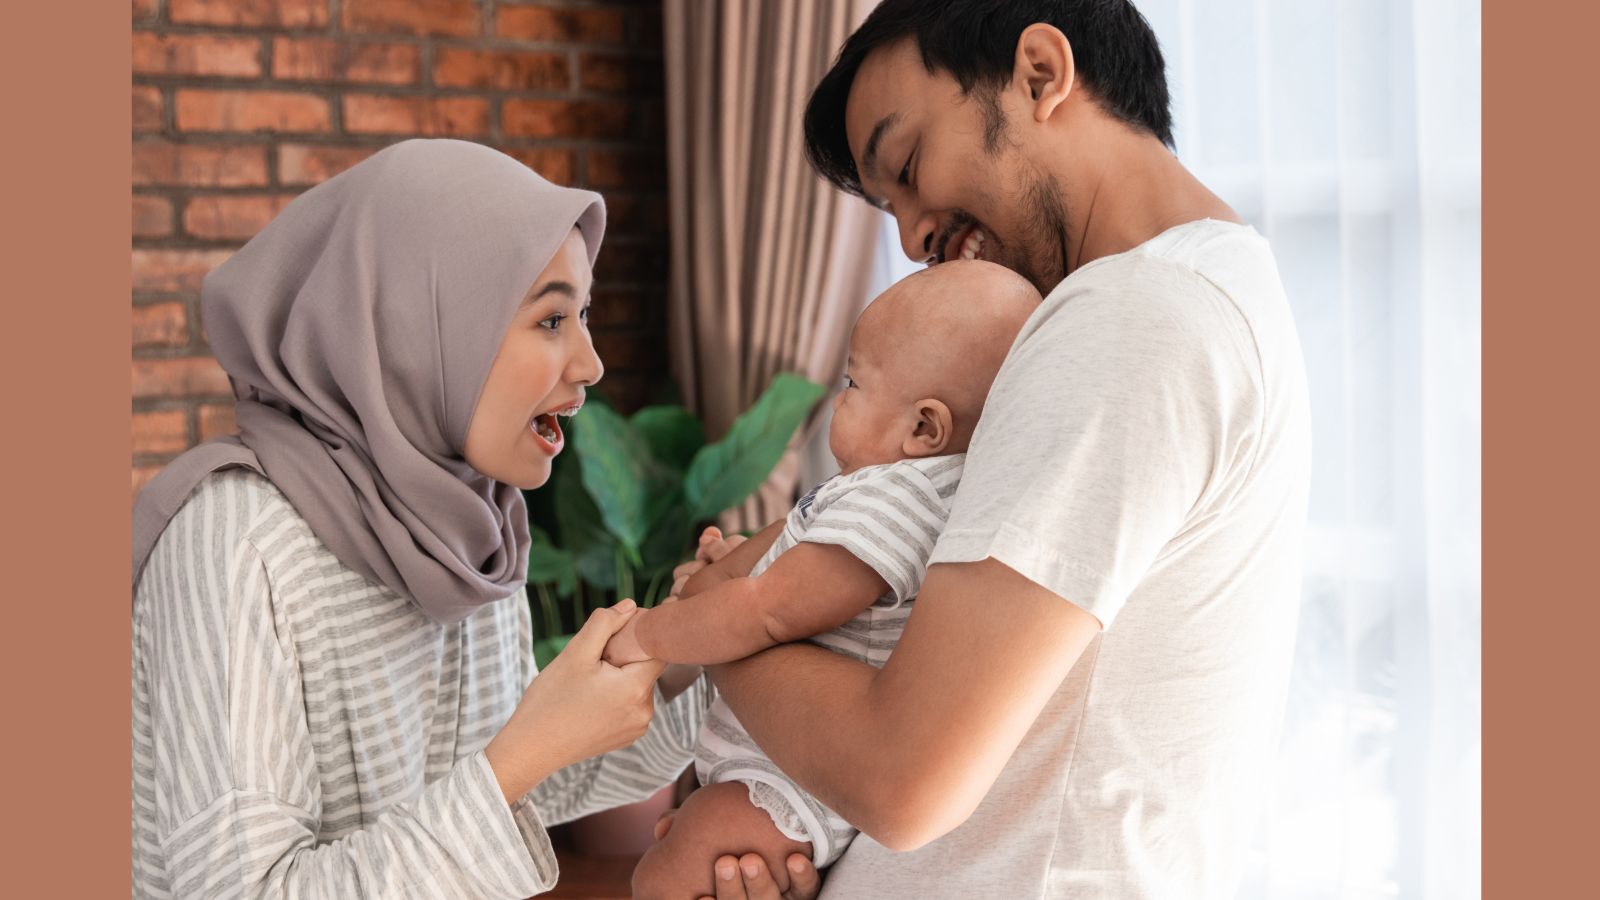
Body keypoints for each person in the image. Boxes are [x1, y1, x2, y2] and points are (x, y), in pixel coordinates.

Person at [662, 2, 1314, 897]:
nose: (910, 236)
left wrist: (720, 615)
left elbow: (904, 780)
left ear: (1041, 73)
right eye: (885, 205)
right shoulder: (1210, 292)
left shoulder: (1128, 318)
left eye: (908, 165)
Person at [129, 139, 819, 900]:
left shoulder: (467, 525)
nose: (589, 363)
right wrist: (521, 756)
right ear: (418, 324)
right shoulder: (237, 542)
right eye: (552, 318)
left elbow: (530, 788)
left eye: (582, 315)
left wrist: (697, 646)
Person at [605, 262, 1040, 898]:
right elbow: (777, 572)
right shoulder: (890, 493)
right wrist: (724, 568)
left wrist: (650, 635)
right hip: (778, 758)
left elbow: (768, 611)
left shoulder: (894, 498)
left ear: (924, 428)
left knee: (660, 880)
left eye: (853, 383)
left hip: (786, 780)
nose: (838, 401)